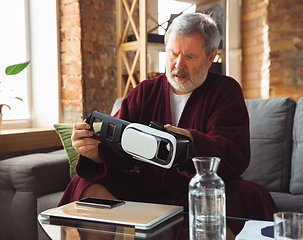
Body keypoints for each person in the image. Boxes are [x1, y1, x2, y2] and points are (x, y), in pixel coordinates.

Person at [59, 12, 278, 235]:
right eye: (173, 53)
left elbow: (233, 152)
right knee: (84, 184)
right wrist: (95, 152)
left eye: (190, 57)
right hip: (151, 191)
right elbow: (120, 146)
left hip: (203, 191)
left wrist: (190, 143)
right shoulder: (144, 92)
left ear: (211, 57)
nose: (178, 64)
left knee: (252, 195)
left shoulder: (226, 91)